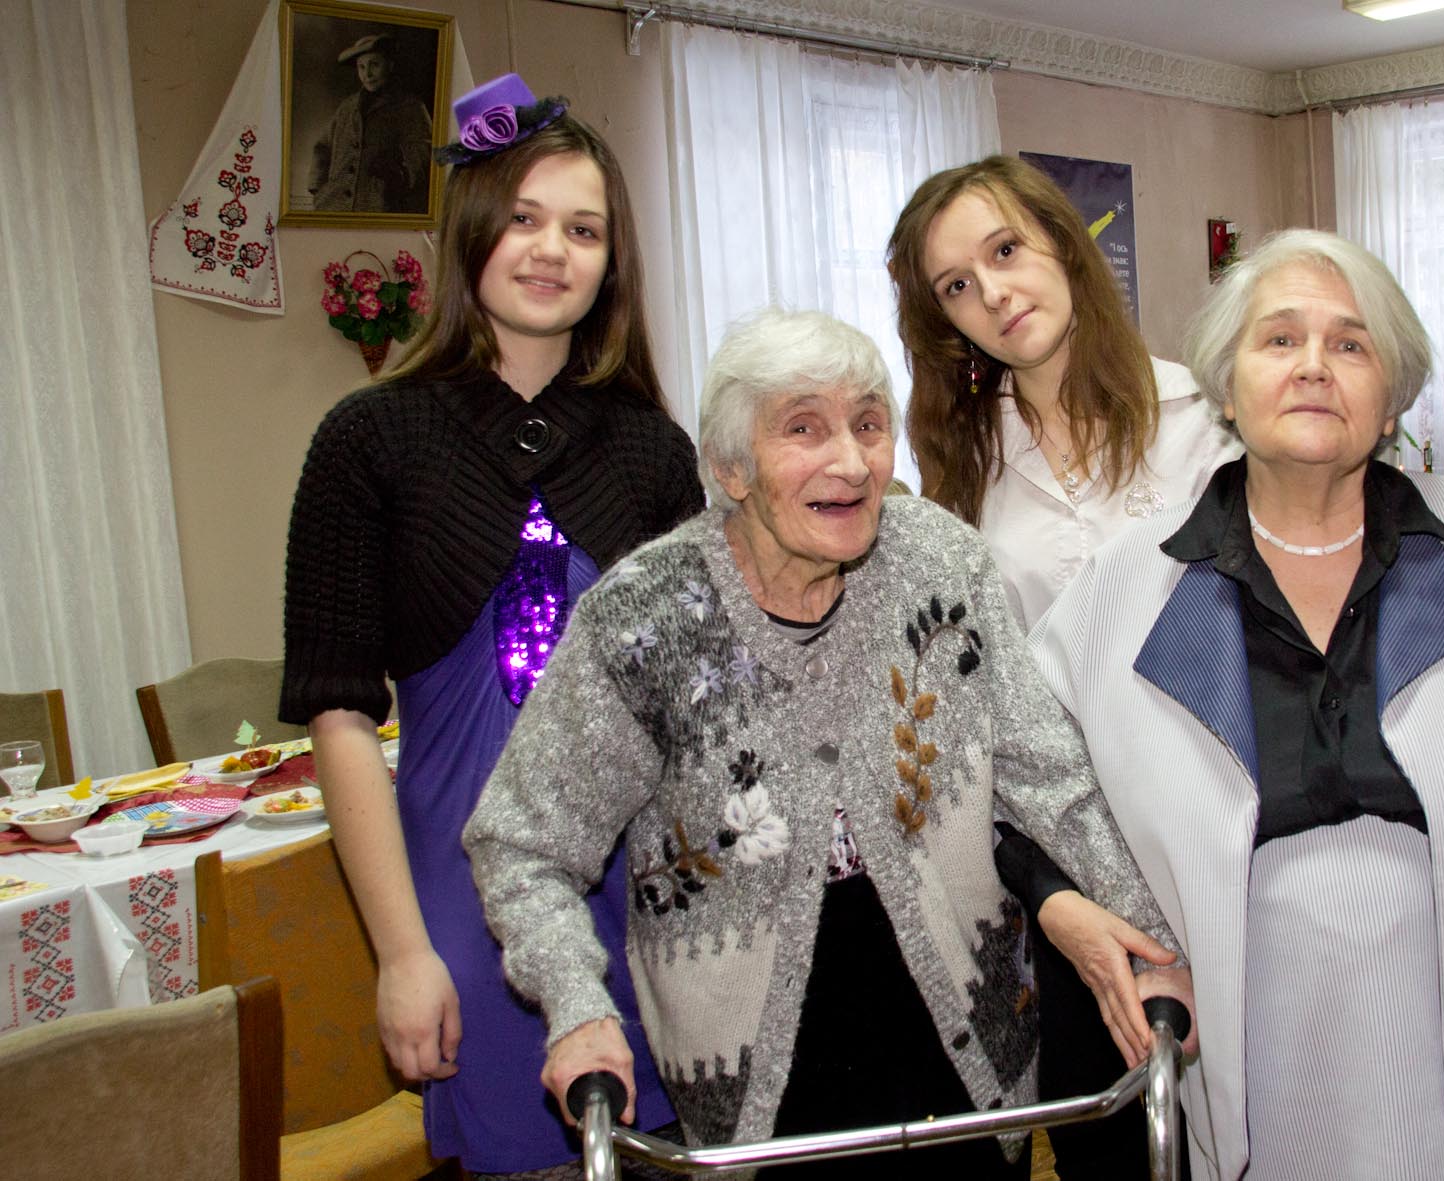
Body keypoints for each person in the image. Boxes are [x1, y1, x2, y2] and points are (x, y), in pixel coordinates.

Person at [463, 308, 1195, 1181]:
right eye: (803, 429)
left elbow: (1049, 778)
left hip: (964, 1038)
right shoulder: (642, 620)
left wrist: (1156, 945)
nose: (850, 461)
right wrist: (577, 1005)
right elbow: (522, 845)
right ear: (731, 467)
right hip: (755, 1081)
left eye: (869, 424)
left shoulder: (941, 562)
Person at [1026, 228, 1444, 1179]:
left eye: (1351, 344)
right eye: (1280, 339)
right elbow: (1027, 776)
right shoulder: (1128, 585)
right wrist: (1069, 908)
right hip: (1250, 1058)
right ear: (1226, 387)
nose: (1314, 364)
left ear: (1391, 397)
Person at [280, 74, 702, 1179]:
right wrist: (401, 951)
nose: (551, 249)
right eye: (522, 218)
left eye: (583, 229)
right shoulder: (367, 439)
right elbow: (338, 715)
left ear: (612, 261)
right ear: (471, 229)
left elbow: (702, 706)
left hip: (652, 893)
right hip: (462, 898)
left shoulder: (653, 450)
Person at [886, 153, 1240, 1177]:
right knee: (1118, 1148)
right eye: (957, 284)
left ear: (1064, 243)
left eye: (1005, 251)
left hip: (1227, 839)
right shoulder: (961, 467)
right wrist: (1052, 892)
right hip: (1068, 869)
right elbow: (975, 719)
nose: (993, 294)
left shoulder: (1204, 419)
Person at [308, 32, 434, 214]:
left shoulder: (410, 107)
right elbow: (322, 147)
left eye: (374, 64)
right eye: (361, 67)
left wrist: (400, 173)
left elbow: (423, 154)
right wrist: (319, 190)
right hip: (333, 207)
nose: (367, 74)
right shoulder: (347, 107)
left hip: (380, 207)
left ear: (390, 65)